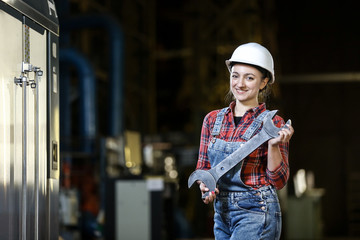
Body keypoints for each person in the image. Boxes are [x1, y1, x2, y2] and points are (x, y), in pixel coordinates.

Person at [195, 42, 294, 239]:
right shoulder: (212, 120)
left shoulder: (273, 122)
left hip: (257, 209)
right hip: (221, 212)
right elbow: (204, 167)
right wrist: (205, 185)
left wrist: (274, 146)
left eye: (249, 78)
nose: (240, 84)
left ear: (264, 82)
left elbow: (279, 180)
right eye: (235, 75)